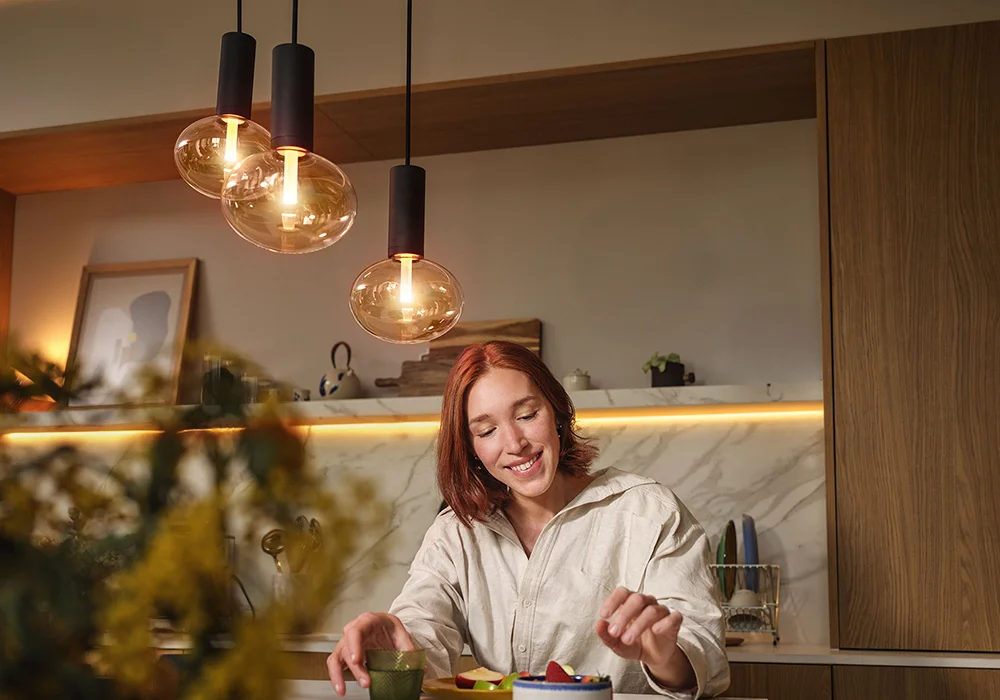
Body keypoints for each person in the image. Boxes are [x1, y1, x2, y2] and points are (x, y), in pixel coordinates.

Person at [327, 341, 730, 698]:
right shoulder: (456, 533)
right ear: (470, 450)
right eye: (486, 431)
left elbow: (704, 665)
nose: (514, 444)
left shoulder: (651, 512)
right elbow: (424, 628)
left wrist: (663, 656)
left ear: (556, 410)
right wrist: (394, 646)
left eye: (526, 414)